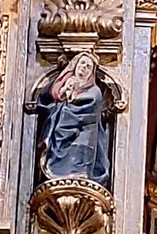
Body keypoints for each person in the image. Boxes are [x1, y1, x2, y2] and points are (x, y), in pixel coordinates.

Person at [26, 52, 111, 187]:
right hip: (62, 130)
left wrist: (67, 105)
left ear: (91, 72)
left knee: (80, 157)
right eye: (82, 63)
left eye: (88, 66)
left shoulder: (95, 91)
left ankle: (79, 175)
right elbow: (53, 96)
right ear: (75, 65)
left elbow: (87, 108)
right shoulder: (67, 82)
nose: (84, 67)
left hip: (84, 134)